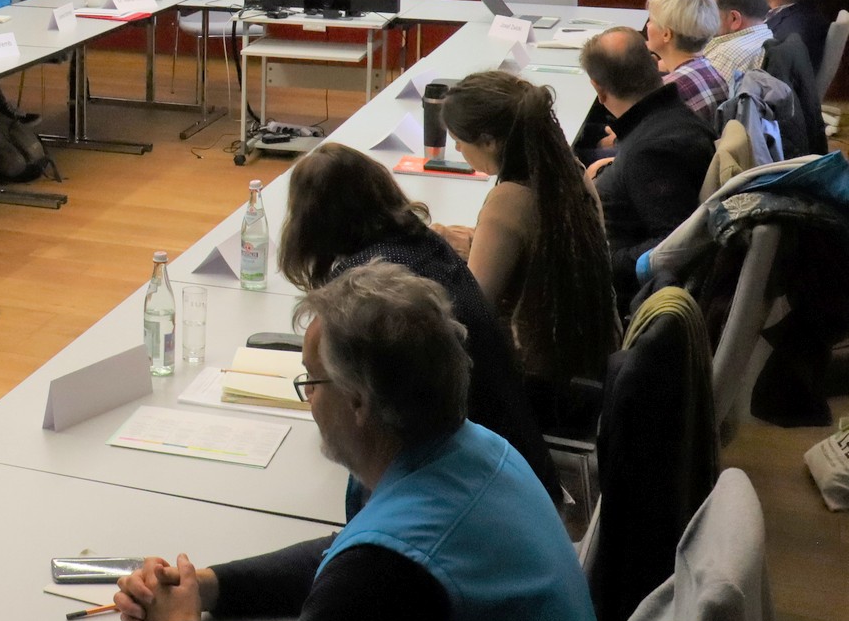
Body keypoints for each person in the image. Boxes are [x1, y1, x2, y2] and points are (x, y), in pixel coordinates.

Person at [113, 263, 616, 621]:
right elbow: (345, 553)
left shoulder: (391, 570)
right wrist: (205, 587)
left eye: (312, 380)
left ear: (359, 401)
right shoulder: (481, 451)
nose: (307, 397)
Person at [278, 142, 557, 500]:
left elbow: (363, 416)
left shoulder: (371, 291)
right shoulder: (423, 243)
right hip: (509, 463)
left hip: (465, 486)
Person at [432, 71, 618, 421]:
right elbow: (541, 247)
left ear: (489, 141)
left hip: (536, 387)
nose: (457, 149)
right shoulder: (569, 170)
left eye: (459, 140)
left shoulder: (508, 201)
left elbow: (470, 311)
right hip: (587, 356)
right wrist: (475, 241)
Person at [580, 28, 715, 303]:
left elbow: (672, 244)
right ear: (654, 64)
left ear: (598, 89)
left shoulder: (650, 153)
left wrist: (591, 261)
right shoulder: (672, 115)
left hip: (610, 294)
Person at [644, 0, 728, 122]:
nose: (647, 25)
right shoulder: (711, 70)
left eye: (651, 21)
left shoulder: (667, 92)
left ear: (666, 34)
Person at [702, 0, 774, 85]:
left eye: (709, 12)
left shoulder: (726, 55)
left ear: (734, 18)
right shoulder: (768, 35)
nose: (702, 20)